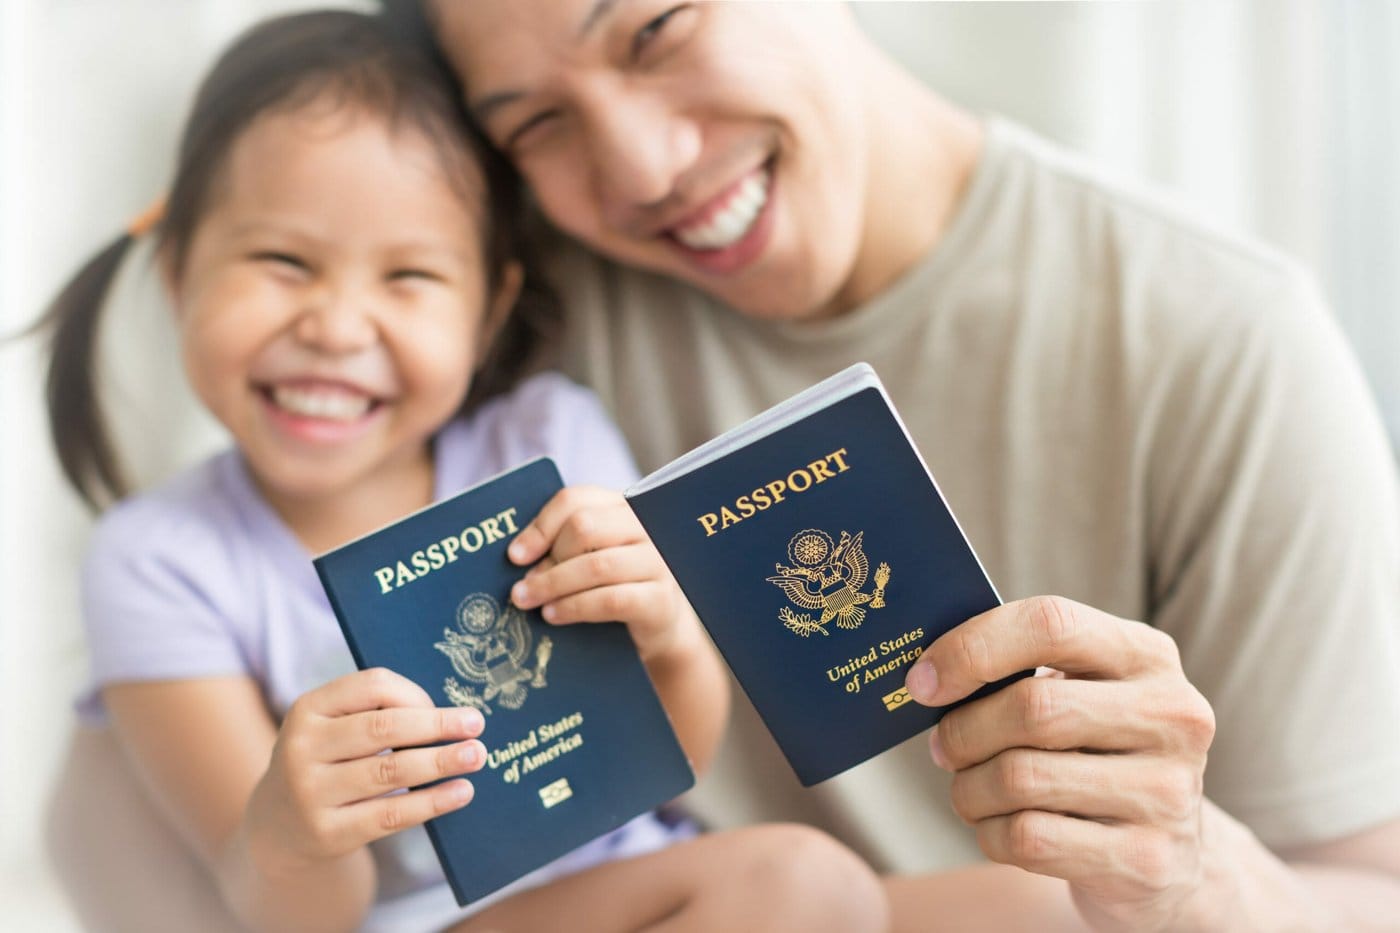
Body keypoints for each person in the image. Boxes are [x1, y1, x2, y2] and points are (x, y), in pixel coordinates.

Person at [399, 1, 1400, 929]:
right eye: (534, 124)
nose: (641, 168)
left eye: (656, 28)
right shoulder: (489, 311)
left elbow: (1370, 889)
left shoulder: (1221, 338)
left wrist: (1185, 869)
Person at [36, 10, 888, 933]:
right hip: (421, 920)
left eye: (408, 278)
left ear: (489, 314)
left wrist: (672, 638)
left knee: (1026, 902)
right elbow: (291, 917)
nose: (335, 325)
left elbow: (662, 769)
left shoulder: (548, 440)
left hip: (647, 878)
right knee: (802, 884)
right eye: (284, 261)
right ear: (176, 274)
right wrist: (289, 831)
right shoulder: (159, 559)